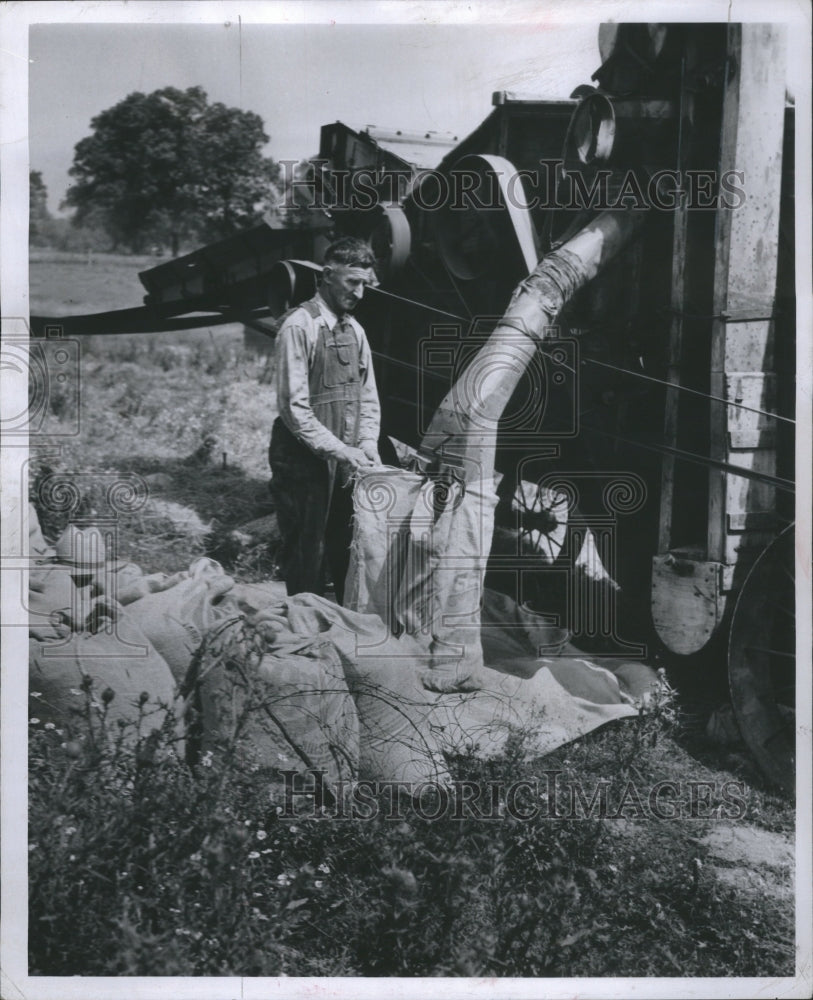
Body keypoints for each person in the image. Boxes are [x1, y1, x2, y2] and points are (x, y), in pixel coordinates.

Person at [268, 237, 381, 605]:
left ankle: (339, 631)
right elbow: (294, 409)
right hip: (304, 461)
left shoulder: (355, 331)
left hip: (343, 460)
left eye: (365, 283)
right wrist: (339, 450)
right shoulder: (299, 326)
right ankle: (304, 637)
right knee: (306, 551)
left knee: (344, 547)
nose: (360, 293)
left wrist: (366, 444)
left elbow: (368, 397)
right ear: (328, 276)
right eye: (352, 282)